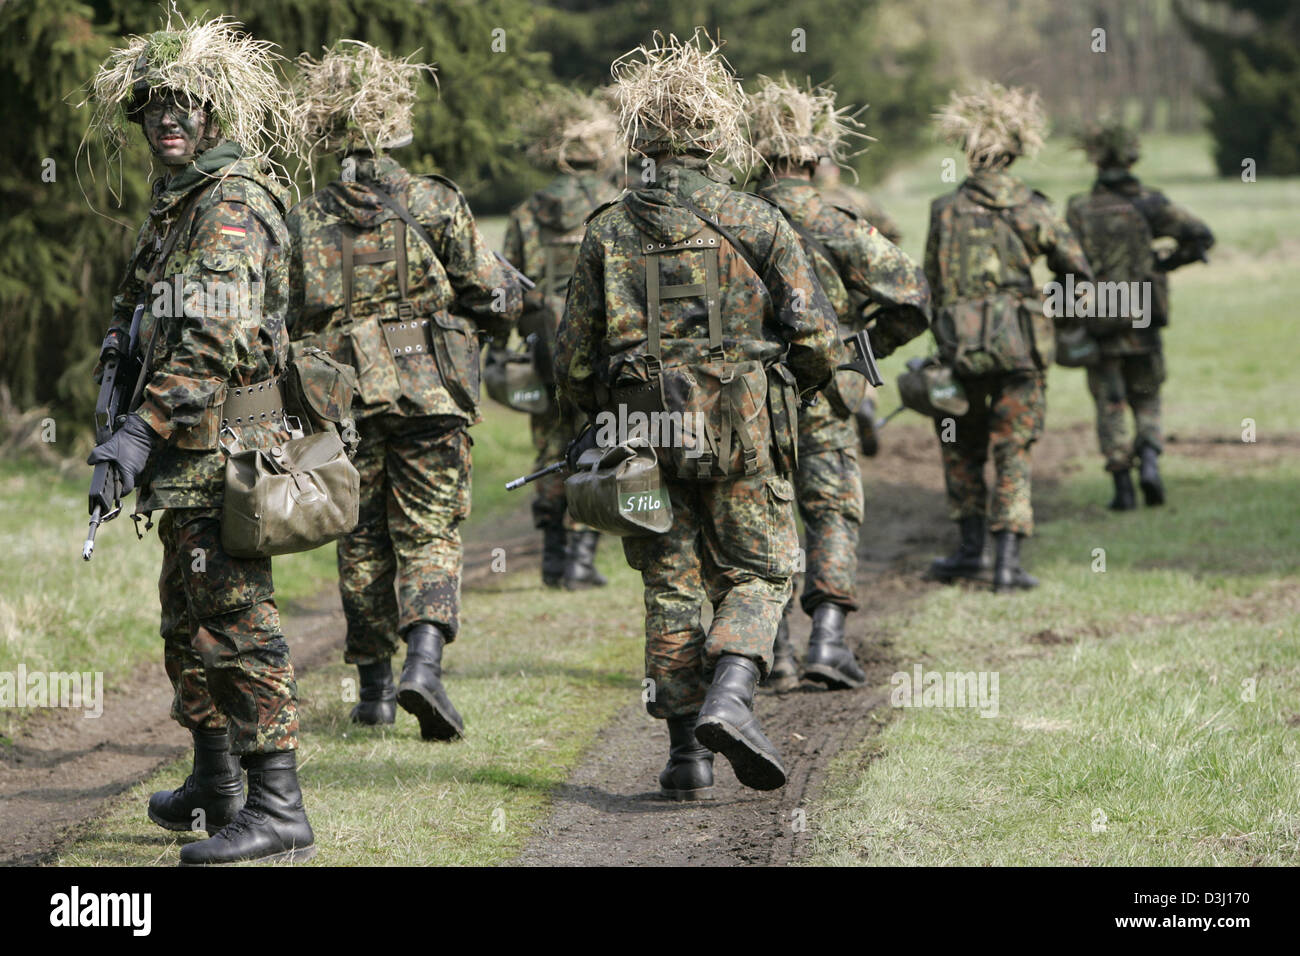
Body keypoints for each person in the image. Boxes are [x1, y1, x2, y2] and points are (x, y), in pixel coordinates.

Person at [554, 32, 840, 799]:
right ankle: (733, 695)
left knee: (670, 585)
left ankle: (686, 755)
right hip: (744, 428)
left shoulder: (606, 230)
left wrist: (607, 410)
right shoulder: (756, 220)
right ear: (715, 134)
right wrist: (791, 386)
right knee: (762, 569)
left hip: (644, 437)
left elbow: (575, 363)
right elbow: (815, 338)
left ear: (642, 139)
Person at [81, 12, 314, 864]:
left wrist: (141, 429)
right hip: (185, 452)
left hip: (224, 448)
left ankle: (278, 804)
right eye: (154, 109)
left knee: (236, 619)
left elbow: (211, 337)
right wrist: (117, 389)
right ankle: (218, 784)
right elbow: (137, 311)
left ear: (215, 115)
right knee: (187, 620)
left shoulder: (231, 203)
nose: (168, 119)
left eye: (185, 106)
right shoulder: (175, 207)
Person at [287, 42, 521, 739]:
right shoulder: (433, 202)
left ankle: (375, 692)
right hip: (430, 395)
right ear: (395, 129)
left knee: (358, 539)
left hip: (340, 403)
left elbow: (281, 316)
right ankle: (425, 664)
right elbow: (490, 294)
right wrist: (500, 305)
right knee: (427, 533)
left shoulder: (302, 218)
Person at [747, 76, 930, 691]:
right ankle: (828, 639)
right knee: (831, 509)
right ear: (813, 155)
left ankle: (772, 655)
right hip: (825, 394)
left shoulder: (727, 219)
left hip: (745, 399)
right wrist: (861, 349)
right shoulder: (838, 222)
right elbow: (914, 296)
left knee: (762, 516)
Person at [925, 82, 1093, 592]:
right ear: (1015, 152)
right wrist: (1053, 313)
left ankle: (970, 551)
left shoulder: (944, 208)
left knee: (962, 448)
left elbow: (928, 285)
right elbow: (1079, 274)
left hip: (961, 351)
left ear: (970, 152)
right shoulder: (1034, 208)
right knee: (1013, 448)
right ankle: (1007, 563)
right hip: (1023, 350)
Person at [503, 89, 623, 588]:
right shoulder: (615, 206)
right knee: (600, 441)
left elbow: (507, 291)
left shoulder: (528, 213)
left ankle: (552, 558)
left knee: (549, 447)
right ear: (599, 154)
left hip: (542, 351)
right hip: (600, 354)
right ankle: (581, 557)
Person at [1067, 123, 1215, 508]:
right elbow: (1201, 236)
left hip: (1099, 318)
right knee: (1147, 397)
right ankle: (1149, 460)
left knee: (1109, 402)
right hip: (1143, 316)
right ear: (1133, 157)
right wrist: (1163, 265)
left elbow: (1066, 265)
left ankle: (1122, 487)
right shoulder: (1152, 204)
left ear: (1096, 159)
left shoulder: (1080, 208)